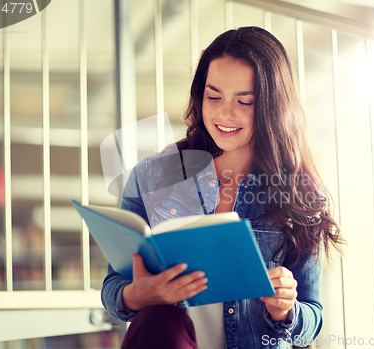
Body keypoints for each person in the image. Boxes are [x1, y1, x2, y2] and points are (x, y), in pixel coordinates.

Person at [101, 26, 344, 349]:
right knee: (159, 320)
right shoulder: (154, 175)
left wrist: (287, 310)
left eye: (244, 102)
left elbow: (311, 322)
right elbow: (113, 288)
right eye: (213, 96)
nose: (224, 114)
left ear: (273, 107)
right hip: (169, 341)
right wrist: (136, 295)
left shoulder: (300, 192)